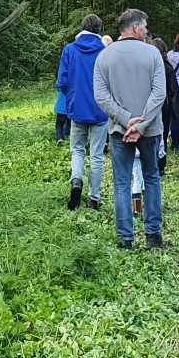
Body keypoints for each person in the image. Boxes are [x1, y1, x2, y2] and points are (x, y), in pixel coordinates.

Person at [93, 8, 167, 249]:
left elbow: (101, 96)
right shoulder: (153, 54)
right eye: (144, 26)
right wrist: (142, 123)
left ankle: (126, 238)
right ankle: (153, 235)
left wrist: (126, 120)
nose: (146, 31)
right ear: (135, 27)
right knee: (152, 178)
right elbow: (159, 93)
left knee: (122, 183)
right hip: (151, 128)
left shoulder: (104, 56)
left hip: (118, 130)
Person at [56, 14, 109, 211]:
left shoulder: (69, 49)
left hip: (77, 108)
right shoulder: (104, 52)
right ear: (99, 29)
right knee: (96, 155)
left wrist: (70, 96)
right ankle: (93, 198)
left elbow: (62, 80)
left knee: (77, 149)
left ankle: (76, 179)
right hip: (100, 110)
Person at [152, 38, 179, 173]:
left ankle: (151, 162)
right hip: (164, 105)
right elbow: (173, 91)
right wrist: (175, 111)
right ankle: (161, 164)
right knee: (162, 133)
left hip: (150, 104)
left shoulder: (149, 67)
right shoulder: (168, 68)